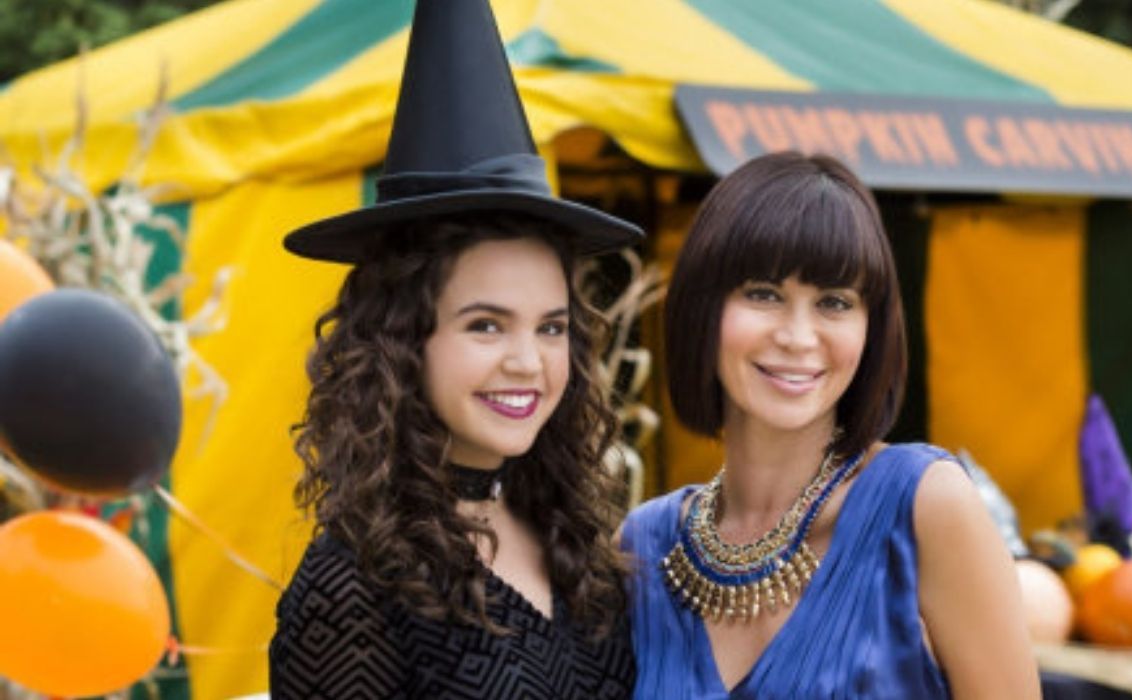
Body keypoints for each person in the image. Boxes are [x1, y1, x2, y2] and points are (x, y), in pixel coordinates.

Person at [269, 1, 641, 697]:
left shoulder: (577, 545)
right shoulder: (351, 590)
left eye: (552, 326)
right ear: (404, 341)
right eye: (485, 325)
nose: (528, 361)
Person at [622, 152, 1040, 698]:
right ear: (703, 307)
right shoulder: (644, 545)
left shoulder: (923, 506)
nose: (798, 337)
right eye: (764, 294)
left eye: (834, 302)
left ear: (872, 329)